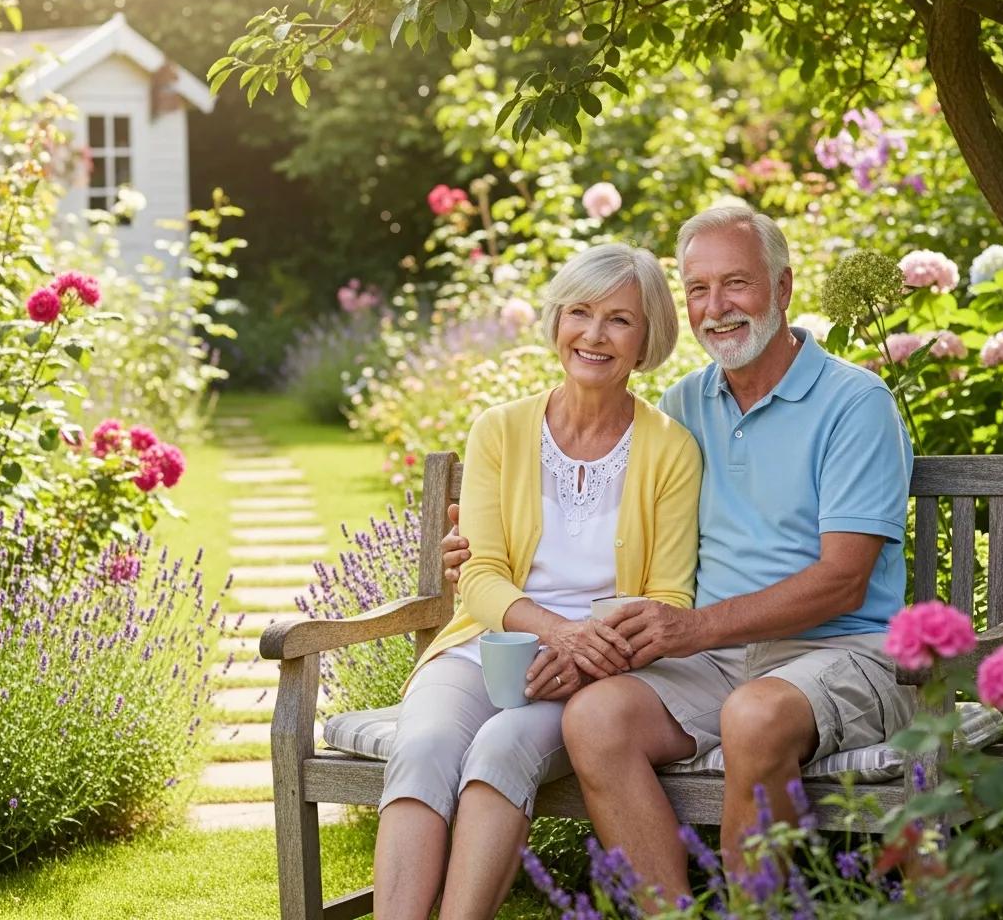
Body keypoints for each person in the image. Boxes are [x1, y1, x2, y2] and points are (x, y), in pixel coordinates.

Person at [443, 204, 916, 899]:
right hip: (716, 660)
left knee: (753, 715)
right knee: (595, 718)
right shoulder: (684, 406)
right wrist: (485, 547)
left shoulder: (855, 403)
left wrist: (691, 628)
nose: (716, 307)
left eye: (737, 283)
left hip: (844, 651)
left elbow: (843, 581)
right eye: (698, 289)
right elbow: (615, 527)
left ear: (783, 287)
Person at [373, 243, 703, 920]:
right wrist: (559, 633)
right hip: (487, 647)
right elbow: (480, 574)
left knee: (501, 747)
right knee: (424, 745)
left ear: (647, 339)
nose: (594, 334)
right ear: (556, 322)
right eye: (579, 312)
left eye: (619, 319)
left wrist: (585, 659)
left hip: (594, 673)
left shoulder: (670, 448)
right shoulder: (500, 430)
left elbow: (668, 598)